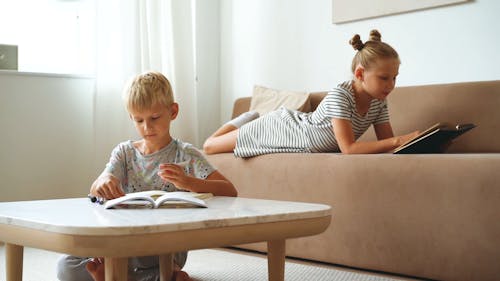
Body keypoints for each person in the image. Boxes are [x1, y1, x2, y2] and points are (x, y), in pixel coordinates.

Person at [56, 71, 237, 281]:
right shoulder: (124, 152)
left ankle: (116, 276)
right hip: (124, 242)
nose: (147, 127)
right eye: (139, 120)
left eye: (154, 118)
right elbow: (96, 186)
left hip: (166, 245)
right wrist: (103, 182)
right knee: (66, 266)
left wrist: (189, 182)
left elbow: (230, 191)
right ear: (131, 117)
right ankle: (146, 277)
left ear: (173, 111)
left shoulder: (186, 154)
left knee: (160, 263)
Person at [203, 30, 420, 156]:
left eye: (395, 77)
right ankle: (247, 118)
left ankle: (248, 119)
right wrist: (399, 140)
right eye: (384, 78)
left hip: (297, 132)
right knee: (210, 146)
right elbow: (349, 148)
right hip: (281, 128)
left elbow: (389, 145)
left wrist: (418, 142)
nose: (391, 85)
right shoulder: (341, 95)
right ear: (360, 74)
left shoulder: (379, 102)